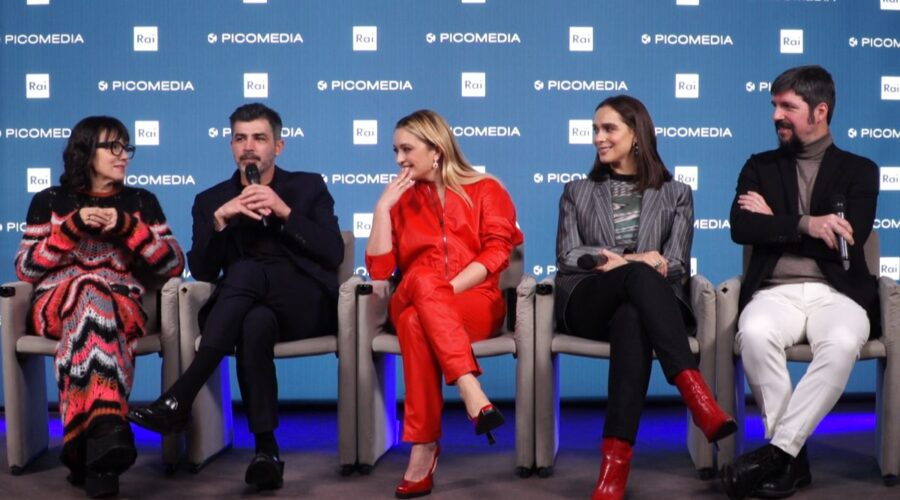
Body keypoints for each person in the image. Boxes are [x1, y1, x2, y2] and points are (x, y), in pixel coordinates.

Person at [127, 103, 343, 490]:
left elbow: (333, 253)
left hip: (304, 305)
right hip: (244, 308)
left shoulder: (307, 187)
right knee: (253, 323)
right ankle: (266, 452)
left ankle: (181, 396)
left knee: (245, 272)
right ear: (231, 146)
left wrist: (284, 211)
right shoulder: (211, 200)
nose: (249, 147)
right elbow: (204, 272)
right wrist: (219, 222)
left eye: (259, 138)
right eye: (240, 138)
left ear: (278, 145)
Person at [553, 95, 736, 500]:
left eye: (608, 129)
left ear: (636, 134)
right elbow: (567, 255)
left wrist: (637, 265)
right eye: (595, 129)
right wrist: (630, 259)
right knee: (637, 275)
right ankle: (697, 397)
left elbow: (677, 263)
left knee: (632, 318)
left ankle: (612, 470)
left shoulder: (676, 193)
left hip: (647, 307)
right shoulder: (577, 191)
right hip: (589, 301)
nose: (598, 137)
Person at [720, 66, 880, 499]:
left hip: (838, 293)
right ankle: (791, 458)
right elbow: (741, 228)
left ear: (819, 111)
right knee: (754, 335)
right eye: (774, 105)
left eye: (787, 106)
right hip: (775, 292)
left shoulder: (860, 170)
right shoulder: (759, 166)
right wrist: (808, 224)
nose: (777, 115)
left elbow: (848, 243)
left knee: (842, 343)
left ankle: (780, 455)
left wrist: (774, 222)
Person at [14, 116, 185, 497]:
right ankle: (107, 427)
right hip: (56, 305)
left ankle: (88, 450)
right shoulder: (50, 201)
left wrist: (129, 228)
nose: (124, 156)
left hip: (121, 304)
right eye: (114, 147)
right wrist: (69, 229)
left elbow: (173, 264)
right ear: (87, 152)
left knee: (96, 307)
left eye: (127, 147)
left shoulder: (140, 202)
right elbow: (26, 268)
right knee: (89, 289)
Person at [365, 109, 523, 498]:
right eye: (395, 151)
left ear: (436, 149)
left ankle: (423, 447)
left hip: (474, 302)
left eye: (406, 149)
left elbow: (496, 254)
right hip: (411, 295)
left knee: (417, 320)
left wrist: (442, 290)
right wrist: (382, 209)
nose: (399, 159)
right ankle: (470, 387)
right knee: (420, 279)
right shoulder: (399, 200)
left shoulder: (486, 189)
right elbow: (381, 271)